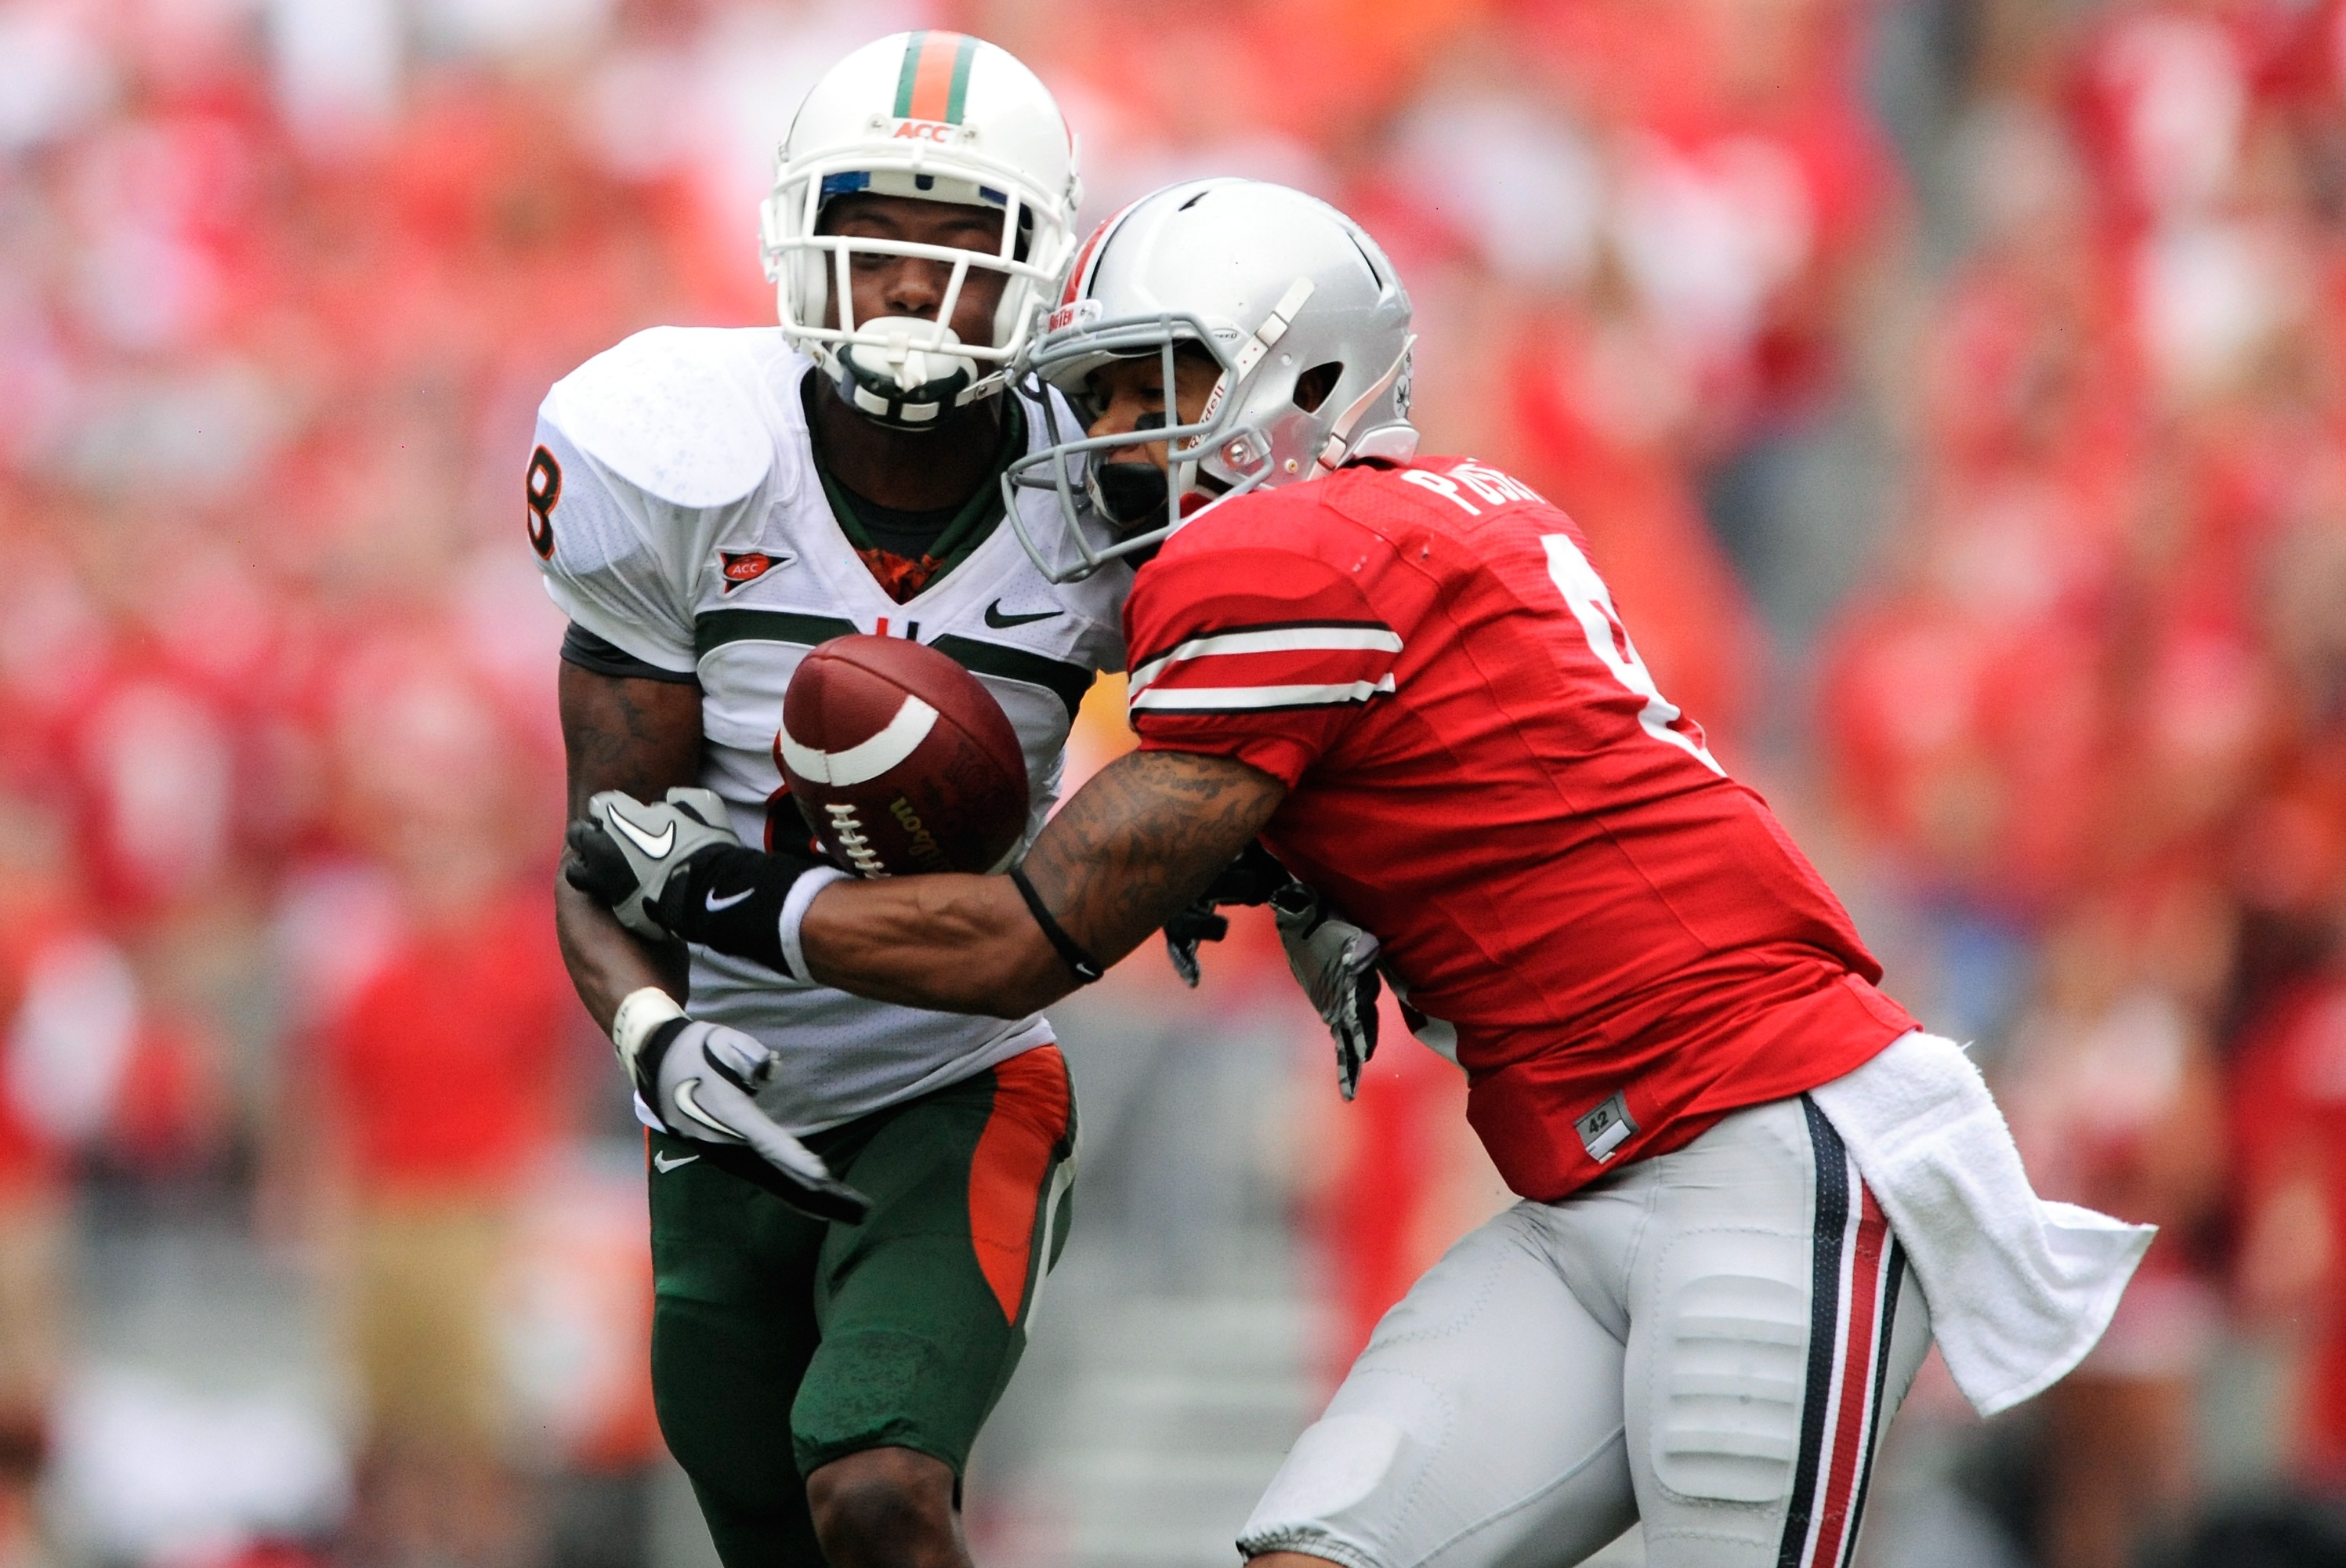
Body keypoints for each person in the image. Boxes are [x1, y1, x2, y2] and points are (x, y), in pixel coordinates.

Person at [567, 179, 2156, 1568]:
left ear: (1304, 377)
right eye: (1103, 398)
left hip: (1759, 1135)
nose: (1117, 441)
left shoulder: (1286, 554)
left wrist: (734, 894)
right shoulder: (1437, 516)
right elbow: (1443, 789)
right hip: (1584, 1170)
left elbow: (1019, 940)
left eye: (1151, 390)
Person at [535, 32, 1121, 1568]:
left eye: (962, 244)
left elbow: (1237, 747)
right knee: (775, 1538)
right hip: (721, 1101)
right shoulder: (683, 455)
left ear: (1035, 265)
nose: (916, 283)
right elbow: (608, 856)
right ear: (802, 233)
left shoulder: (1107, 489)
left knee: (879, 1490)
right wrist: (657, 1039)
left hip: (959, 1075)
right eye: (881, 235)